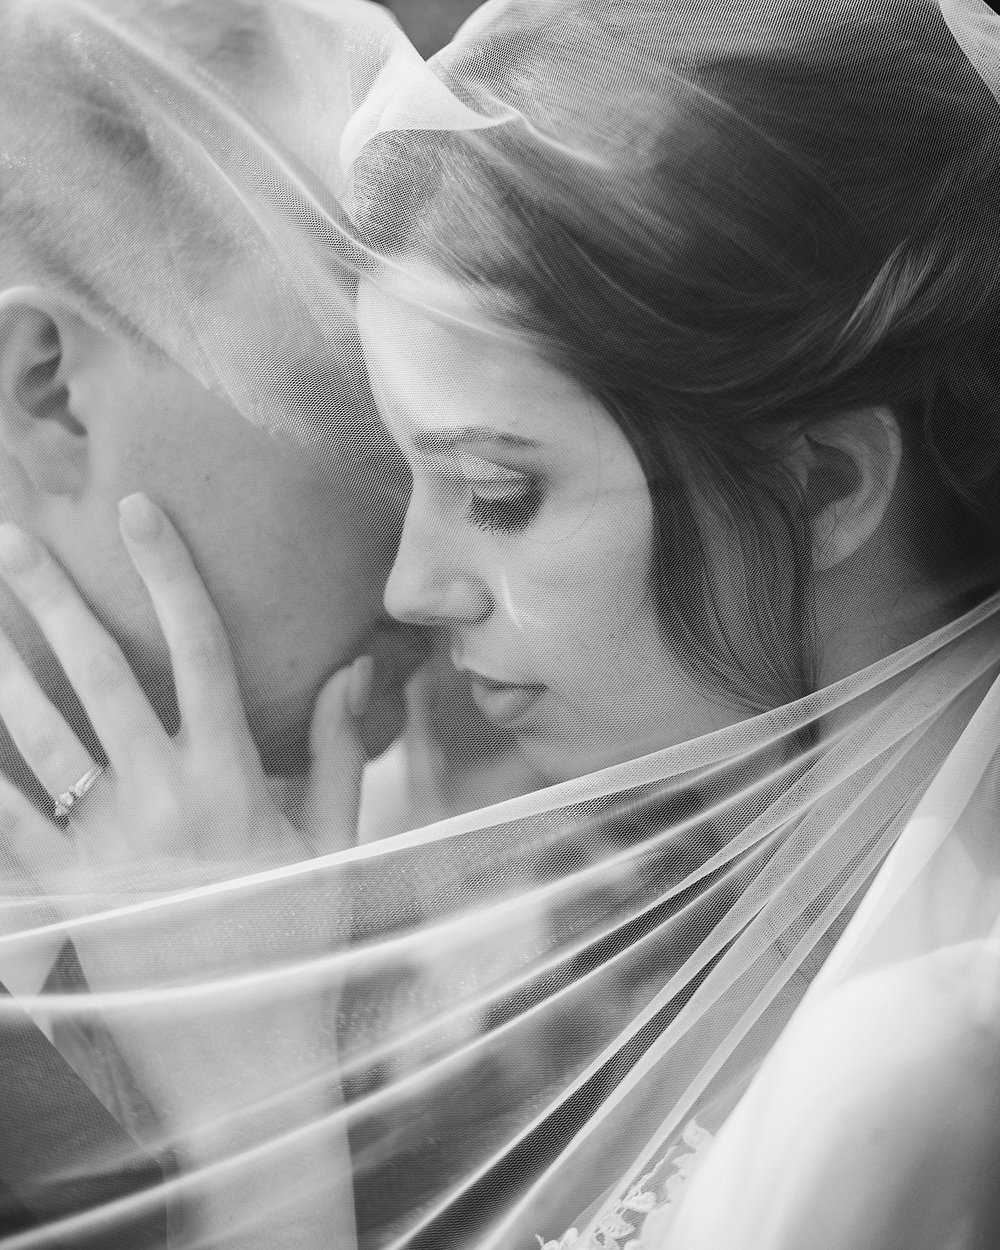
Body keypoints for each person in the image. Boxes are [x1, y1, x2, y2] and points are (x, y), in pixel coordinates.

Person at [2, 0, 1000, 1248]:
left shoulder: (905, 1065)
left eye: (494, 492)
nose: (412, 578)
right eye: (360, 438)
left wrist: (256, 1126)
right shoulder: (691, 925)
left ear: (829, 483)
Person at [0, 0, 415, 1243]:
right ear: (47, 389)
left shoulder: (317, 903)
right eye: (368, 412)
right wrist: (260, 1127)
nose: (436, 563)